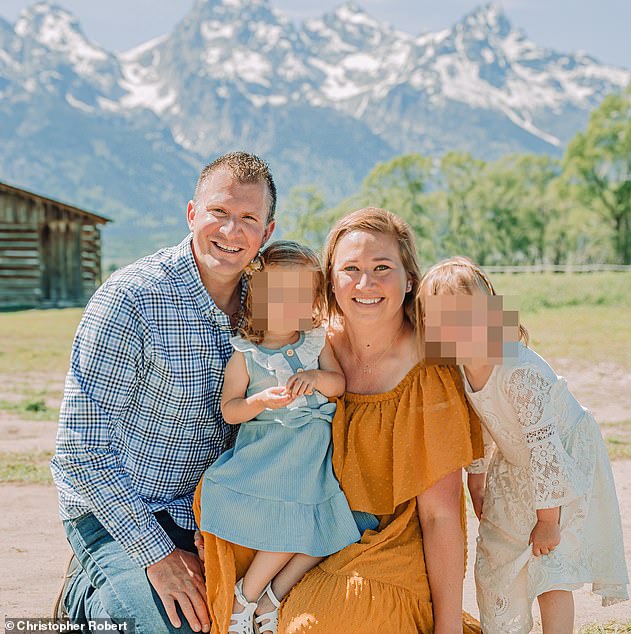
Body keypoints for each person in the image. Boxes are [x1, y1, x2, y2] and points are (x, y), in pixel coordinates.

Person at [51, 152, 277, 633]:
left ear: (267, 233)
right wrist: (158, 555)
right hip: (118, 511)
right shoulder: (130, 298)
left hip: (213, 515)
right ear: (192, 213)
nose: (231, 231)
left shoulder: (272, 307)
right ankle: (87, 596)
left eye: (248, 219)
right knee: (172, 626)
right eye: (219, 212)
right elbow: (78, 453)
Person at [271, 208, 483, 633]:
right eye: (351, 269)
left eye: (382, 268)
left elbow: (440, 517)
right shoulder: (312, 349)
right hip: (315, 526)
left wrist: (448, 627)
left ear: (409, 280)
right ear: (331, 280)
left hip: (395, 541)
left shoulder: (429, 370)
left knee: (323, 623)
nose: (365, 284)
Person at [417, 256, 629, 634]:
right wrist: (477, 477)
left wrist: (549, 520)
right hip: (517, 462)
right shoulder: (461, 368)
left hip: (561, 460)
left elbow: (545, 447)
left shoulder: (517, 371)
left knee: (550, 562)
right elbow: (481, 424)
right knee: (500, 554)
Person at [195, 240, 377, 634]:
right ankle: (246, 599)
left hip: (312, 451)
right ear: (257, 299)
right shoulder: (246, 354)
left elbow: (338, 385)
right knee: (298, 522)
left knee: (330, 529)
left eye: (300, 298)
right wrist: (258, 400)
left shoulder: (316, 341)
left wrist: (315, 378)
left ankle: (264, 598)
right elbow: (230, 409)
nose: (289, 308)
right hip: (271, 454)